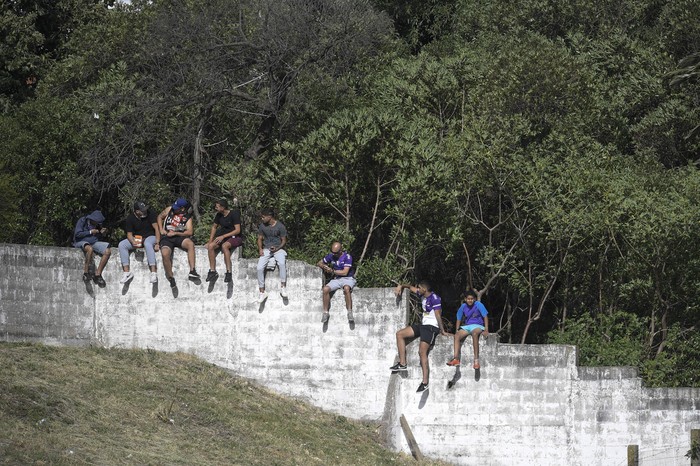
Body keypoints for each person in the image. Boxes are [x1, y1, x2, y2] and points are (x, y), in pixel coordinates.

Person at [392, 281, 447, 393]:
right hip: (423, 325)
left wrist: (442, 330)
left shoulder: (435, 298)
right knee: (400, 334)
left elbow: (437, 314)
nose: (418, 289)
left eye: (419, 288)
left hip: (432, 327)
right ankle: (402, 363)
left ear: (424, 290)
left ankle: (425, 382)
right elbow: (410, 287)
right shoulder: (422, 294)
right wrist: (400, 286)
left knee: (422, 352)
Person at [156, 197, 199, 288]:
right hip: (167, 237)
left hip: (179, 236)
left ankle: (192, 270)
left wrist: (176, 233)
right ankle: (171, 277)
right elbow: (159, 217)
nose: (174, 209)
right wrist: (161, 229)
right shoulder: (169, 210)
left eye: (177, 208)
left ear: (182, 208)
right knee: (165, 253)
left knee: (190, 244)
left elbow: (190, 232)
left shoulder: (187, 217)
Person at [118, 201, 160, 284]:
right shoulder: (130, 218)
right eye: (142, 210)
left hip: (150, 237)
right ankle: (127, 273)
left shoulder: (151, 214)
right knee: (122, 245)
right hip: (138, 238)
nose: (145, 211)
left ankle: (153, 272)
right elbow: (129, 234)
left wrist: (157, 243)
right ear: (137, 211)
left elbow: (157, 229)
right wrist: (132, 241)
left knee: (147, 244)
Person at [447, 290, 489, 370]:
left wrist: (486, 329)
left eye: (472, 299)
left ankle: (476, 361)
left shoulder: (478, 304)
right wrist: (457, 330)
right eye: (468, 299)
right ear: (465, 299)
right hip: (467, 326)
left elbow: (485, 316)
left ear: (474, 299)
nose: (470, 300)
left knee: (474, 334)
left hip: (478, 325)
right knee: (457, 336)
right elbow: (458, 318)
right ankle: (456, 359)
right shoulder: (463, 306)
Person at [317, 241, 356, 323]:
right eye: (333, 252)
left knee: (346, 289)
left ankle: (349, 311)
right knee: (325, 289)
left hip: (348, 278)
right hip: (337, 279)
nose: (334, 254)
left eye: (336, 253)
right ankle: (325, 312)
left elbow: (345, 272)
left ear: (340, 250)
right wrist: (325, 267)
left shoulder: (347, 257)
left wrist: (332, 271)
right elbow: (319, 262)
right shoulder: (331, 256)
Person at [204, 199, 242, 283]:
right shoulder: (219, 215)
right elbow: (214, 227)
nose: (215, 208)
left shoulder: (234, 214)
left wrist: (223, 236)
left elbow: (237, 230)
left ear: (223, 207)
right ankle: (212, 271)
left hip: (235, 237)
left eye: (217, 206)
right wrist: (210, 241)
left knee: (225, 246)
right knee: (211, 246)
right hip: (223, 237)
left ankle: (228, 272)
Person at [73, 210, 111, 287]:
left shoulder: (98, 225)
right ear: (92, 219)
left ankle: (98, 274)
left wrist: (103, 232)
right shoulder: (82, 221)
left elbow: (98, 235)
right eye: (97, 222)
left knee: (107, 251)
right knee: (90, 249)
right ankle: (86, 273)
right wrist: (90, 232)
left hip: (94, 242)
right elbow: (77, 234)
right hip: (81, 241)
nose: (98, 224)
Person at [256, 208, 288, 303]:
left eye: (263, 217)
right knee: (259, 267)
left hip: (278, 249)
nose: (262, 219)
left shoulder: (280, 226)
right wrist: (260, 249)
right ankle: (262, 292)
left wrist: (277, 248)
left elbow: (284, 240)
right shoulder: (262, 226)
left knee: (282, 263)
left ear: (269, 217)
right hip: (266, 249)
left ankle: (283, 287)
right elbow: (259, 239)